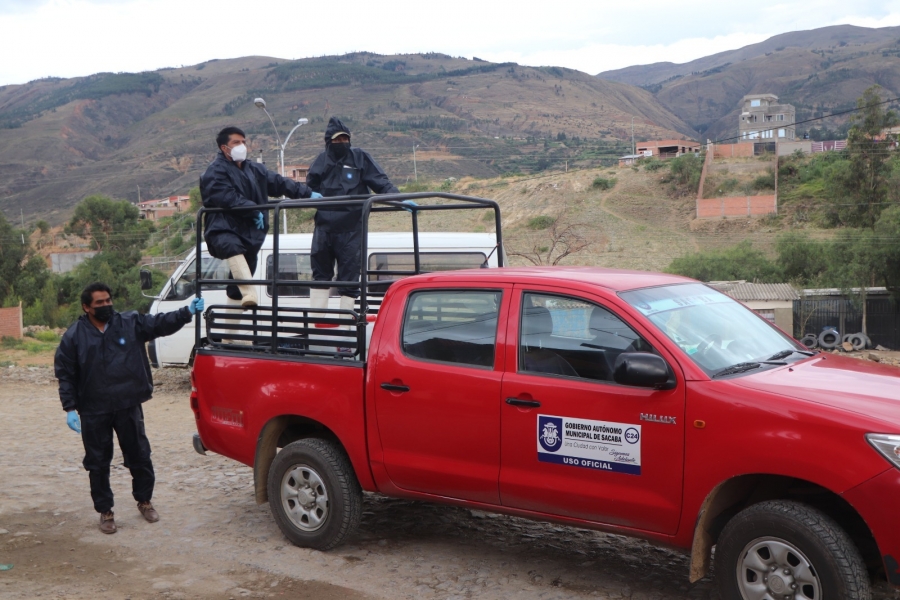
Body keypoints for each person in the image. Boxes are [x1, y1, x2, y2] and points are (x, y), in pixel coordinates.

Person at [55, 282, 204, 534]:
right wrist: (70, 407)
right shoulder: (73, 336)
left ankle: (144, 501)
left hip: (128, 404)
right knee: (98, 463)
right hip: (93, 409)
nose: (106, 306)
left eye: (108, 300)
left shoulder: (129, 322)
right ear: (86, 307)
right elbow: (66, 374)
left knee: (139, 455)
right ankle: (105, 511)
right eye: (99, 303)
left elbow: (160, 323)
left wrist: (186, 311)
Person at [199, 126, 321, 308]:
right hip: (223, 226)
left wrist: (307, 193)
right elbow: (227, 197)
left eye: (243, 142)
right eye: (236, 142)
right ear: (224, 148)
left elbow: (279, 183)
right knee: (231, 247)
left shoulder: (254, 170)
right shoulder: (215, 172)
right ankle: (250, 292)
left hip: (249, 232)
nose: (242, 146)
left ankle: (229, 335)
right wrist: (253, 210)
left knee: (238, 285)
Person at [305, 117, 400, 316]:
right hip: (324, 227)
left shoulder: (360, 157)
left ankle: (346, 326)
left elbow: (380, 181)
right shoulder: (321, 161)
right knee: (320, 274)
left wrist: (399, 199)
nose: (341, 144)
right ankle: (317, 323)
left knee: (349, 276)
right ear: (328, 141)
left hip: (351, 227)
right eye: (337, 140)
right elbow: (309, 187)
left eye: (345, 139)